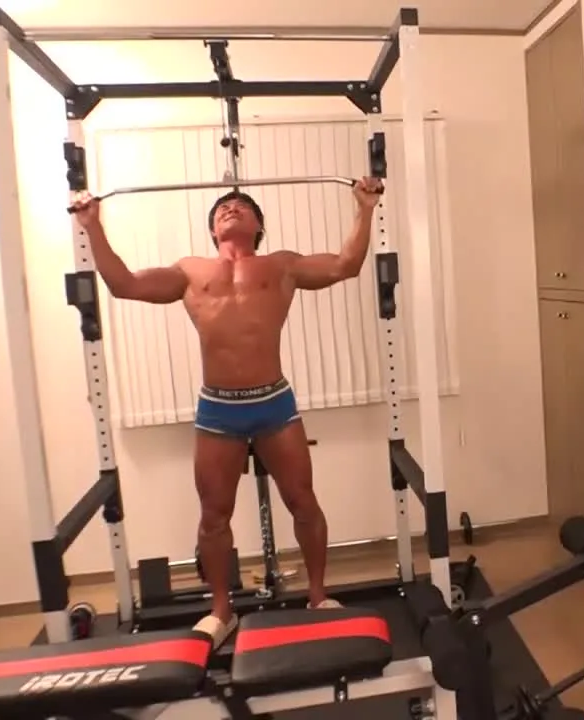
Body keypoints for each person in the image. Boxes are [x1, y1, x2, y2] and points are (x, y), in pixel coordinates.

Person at [70, 177, 384, 648]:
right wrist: (93, 226)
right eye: (222, 208)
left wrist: (365, 208)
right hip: (219, 409)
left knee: (303, 501)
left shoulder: (282, 265)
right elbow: (124, 285)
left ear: (259, 225)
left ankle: (318, 597)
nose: (230, 208)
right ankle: (221, 610)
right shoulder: (190, 271)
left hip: (274, 402)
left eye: (241, 205)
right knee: (213, 516)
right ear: (212, 230)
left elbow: (346, 265)